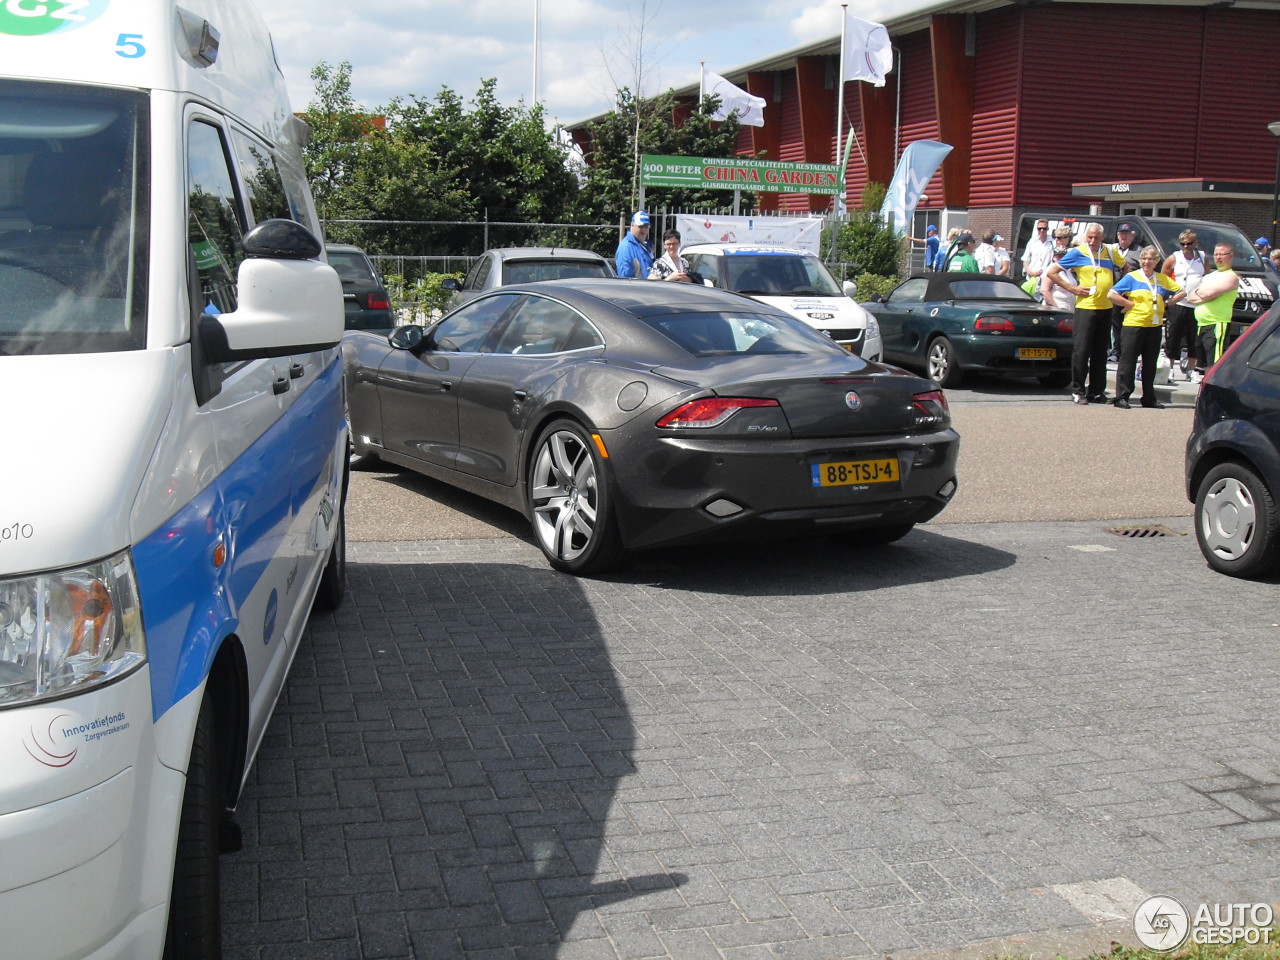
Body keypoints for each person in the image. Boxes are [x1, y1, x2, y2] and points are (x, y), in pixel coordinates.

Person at [1047, 222, 1126, 405]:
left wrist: (1120, 290)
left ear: (1102, 237)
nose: (1092, 241)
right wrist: (1072, 288)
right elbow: (1053, 272)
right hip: (1086, 307)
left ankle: (1097, 391)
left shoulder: (1110, 252)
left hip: (1105, 307)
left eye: (1095, 238)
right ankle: (1078, 390)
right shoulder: (1078, 252)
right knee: (1081, 350)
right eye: (1089, 237)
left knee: (1100, 351)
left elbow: (1125, 268)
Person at [1107, 246, 1184, 409]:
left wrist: (1168, 303)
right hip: (1134, 324)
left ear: (1156, 261)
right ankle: (1122, 396)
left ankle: (1149, 397)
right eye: (1144, 259)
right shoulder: (1132, 277)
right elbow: (1111, 294)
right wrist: (1128, 303)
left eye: (1150, 259)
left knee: (1150, 362)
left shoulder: (1162, 279)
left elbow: (1182, 292)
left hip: (1154, 326)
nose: (1146, 262)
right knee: (1128, 361)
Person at [1185, 242, 1241, 379]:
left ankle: (1213, 390)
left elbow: (1208, 294)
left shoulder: (1231, 277)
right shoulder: (1209, 276)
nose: (1218, 258)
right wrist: (1203, 295)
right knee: (1203, 364)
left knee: (1214, 363)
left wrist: (1203, 295)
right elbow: (1190, 297)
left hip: (1217, 324)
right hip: (1201, 325)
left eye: (1222, 254)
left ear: (1230, 256)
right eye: (1216, 254)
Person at [1160, 229, 1205, 384]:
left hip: (1195, 304)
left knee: (1194, 339)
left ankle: (1191, 370)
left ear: (1195, 243)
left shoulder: (1202, 257)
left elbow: (1206, 274)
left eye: (1189, 243)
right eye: (1183, 244)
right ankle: (1170, 369)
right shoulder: (1174, 258)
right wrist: (1167, 299)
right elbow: (1163, 277)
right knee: (1173, 336)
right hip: (1177, 302)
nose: (1186, 246)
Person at [1107, 223, 1143, 361]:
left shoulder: (1138, 251)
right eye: (1122, 233)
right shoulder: (1112, 249)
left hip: (1131, 293)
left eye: (1127, 234)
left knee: (1129, 324)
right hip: (1114, 292)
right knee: (1115, 323)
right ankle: (1116, 351)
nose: (1124, 236)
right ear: (1118, 235)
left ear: (1132, 236)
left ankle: (1129, 351)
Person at [1039, 228, 1077, 312]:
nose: (1060, 258)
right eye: (1058, 256)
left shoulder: (1067, 270)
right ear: (1053, 256)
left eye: (1063, 256)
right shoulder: (1050, 269)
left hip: (1069, 310)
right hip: (1055, 311)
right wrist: (1056, 308)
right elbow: (1045, 291)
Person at [615, 210, 654, 278]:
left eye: (646, 226)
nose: (644, 229)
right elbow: (625, 279)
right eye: (641, 226)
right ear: (632, 225)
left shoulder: (646, 246)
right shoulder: (626, 247)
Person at [1021, 219, 1055, 285]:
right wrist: (1029, 271)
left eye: (1044, 228)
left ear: (1047, 229)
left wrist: (1042, 272)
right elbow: (1025, 259)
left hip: (1045, 278)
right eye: (1039, 229)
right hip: (1031, 277)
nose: (1042, 230)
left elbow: (1054, 261)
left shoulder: (1053, 243)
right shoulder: (1032, 242)